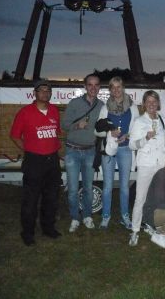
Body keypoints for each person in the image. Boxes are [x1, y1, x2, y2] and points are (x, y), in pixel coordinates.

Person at [10, 80, 62, 246]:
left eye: (48, 90)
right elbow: (14, 135)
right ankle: (28, 233)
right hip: (34, 161)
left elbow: (55, 133)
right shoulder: (25, 112)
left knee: (51, 197)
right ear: (35, 93)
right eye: (42, 90)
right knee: (30, 200)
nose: (45, 93)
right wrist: (29, 149)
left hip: (52, 161)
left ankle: (48, 228)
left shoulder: (54, 110)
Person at [94, 76, 139, 229]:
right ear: (110, 90)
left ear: (123, 87)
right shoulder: (105, 107)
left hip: (125, 149)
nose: (116, 90)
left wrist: (128, 135)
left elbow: (137, 129)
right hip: (109, 150)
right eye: (113, 87)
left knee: (125, 186)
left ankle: (125, 216)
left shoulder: (132, 107)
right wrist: (109, 133)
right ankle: (106, 216)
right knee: (107, 186)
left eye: (118, 87)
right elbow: (97, 129)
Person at [128, 90, 165, 246]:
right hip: (146, 164)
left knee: (159, 199)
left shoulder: (163, 120)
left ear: (158, 104)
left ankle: (158, 228)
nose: (152, 104)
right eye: (149, 102)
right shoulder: (139, 121)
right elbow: (132, 144)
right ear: (144, 104)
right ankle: (134, 230)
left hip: (160, 165)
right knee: (140, 199)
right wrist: (146, 137)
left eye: (154, 101)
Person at [62, 73, 103, 232]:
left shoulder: (101, 106)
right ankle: (74, 218)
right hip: (72, 151)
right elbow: (64, 125)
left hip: (90, 152)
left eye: (96, 85)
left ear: (99, 87)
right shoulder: (74, 103)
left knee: (88, 187)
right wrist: (76, 125)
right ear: (85, 87)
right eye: (90, 85)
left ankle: (87, 216)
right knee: (72, 189)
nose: (93, 88)